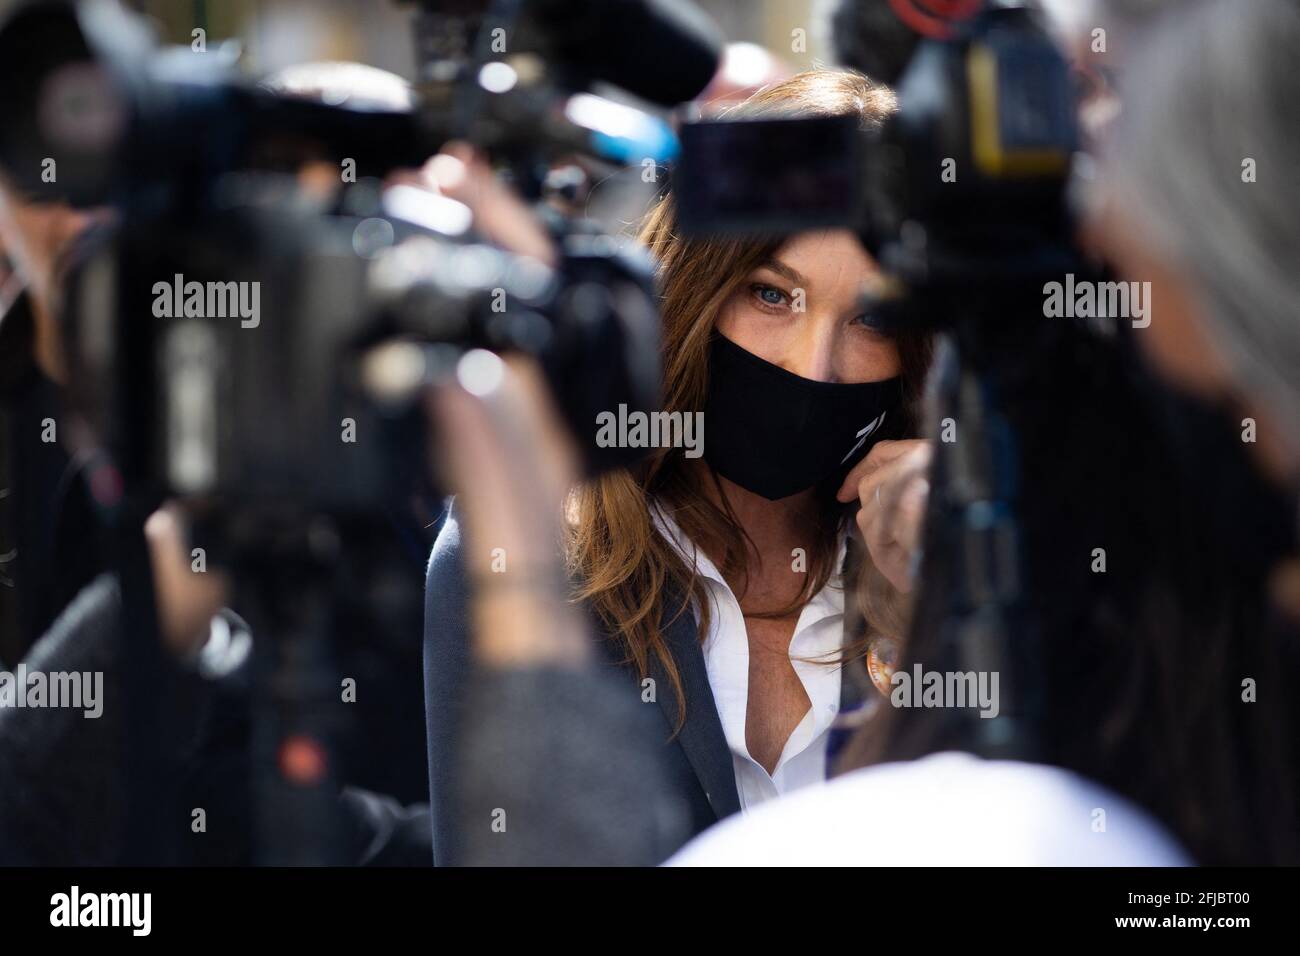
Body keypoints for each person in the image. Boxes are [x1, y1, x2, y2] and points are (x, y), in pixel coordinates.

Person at [423, 68, 935, 864]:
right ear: (695, 289)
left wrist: (930, 613)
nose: (816, 365)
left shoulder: (954, 559)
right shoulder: (531, 550)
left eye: (872, 317)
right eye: (772, 295)